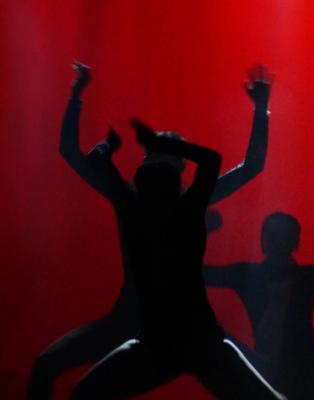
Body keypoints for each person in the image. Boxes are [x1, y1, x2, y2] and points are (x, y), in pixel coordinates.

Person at [29, 62, 272, 400]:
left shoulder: (142, 201)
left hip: (178, 332)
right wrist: (261, 108)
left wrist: (77, 96)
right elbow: (250, 165)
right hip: (149, 326)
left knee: (57, 372)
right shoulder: (154, 200)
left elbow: (74, 153)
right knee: (52, 369)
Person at [70, 119, 282, 399]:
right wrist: (162, 145)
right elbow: (210, 160)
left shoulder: (133, 210)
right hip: (186, 341)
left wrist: (109, 145)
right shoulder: (188, 209)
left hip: (167, 343)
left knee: (85, 393)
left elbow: (96, 161)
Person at [204, 213, 314, 399]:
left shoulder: (299, 276)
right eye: (272, 236)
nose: (276, 243)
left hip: (305, 369)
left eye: (282, 237)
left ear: (294, 242)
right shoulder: (296, 275)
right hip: (279, 368)